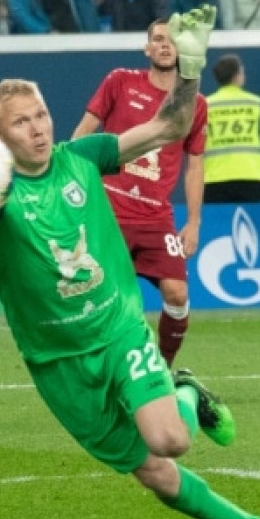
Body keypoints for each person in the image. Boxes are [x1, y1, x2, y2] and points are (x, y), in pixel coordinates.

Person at [0, 8, 260, 519]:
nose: (38, 129)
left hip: (117, 328)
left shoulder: (81, 158)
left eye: (41, 115)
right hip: (58, 363)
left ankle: (185, 395)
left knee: (171, 441)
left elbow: (168, 128)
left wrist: (190, 70)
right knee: (155, 474)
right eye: (21, 123)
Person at [72, 23, 209, 367]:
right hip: (109, 211)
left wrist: (193, 222)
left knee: (177, 293)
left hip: (156, 217)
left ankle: (162, 369)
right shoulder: (119, 81)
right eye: (158, 39)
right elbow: (83, 135)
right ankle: (103, 368)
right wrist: (72, 183)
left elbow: (195, 164)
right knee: (106, 300)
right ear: (146, 48)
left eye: (172, 40)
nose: (165, 45)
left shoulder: (195, 103)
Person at [203, 54, 260, 205]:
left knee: (219, 220)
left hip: (215, 176)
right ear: (237, 75)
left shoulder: (205, 105)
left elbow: (193, 143)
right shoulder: (255, 103)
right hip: (250, 174)